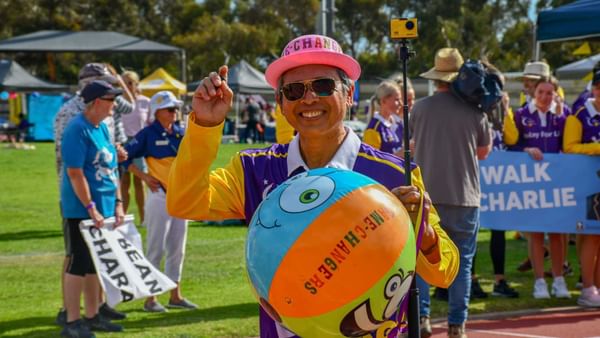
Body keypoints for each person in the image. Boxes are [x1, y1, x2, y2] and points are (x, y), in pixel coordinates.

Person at [166, 34, 459, 338]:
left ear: (349, 94)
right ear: (280, 103)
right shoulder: (254, 169)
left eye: (323, 85)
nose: (308, 99)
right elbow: (185, 202)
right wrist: (205, 126)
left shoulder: (397, 174)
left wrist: (423, 235)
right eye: (293, 90)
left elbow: (444, 272)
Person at [410, 47, 493, 338]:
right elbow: (484, 152)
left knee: (422, 259)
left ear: (435, 78)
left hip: (426, 197)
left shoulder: (419, 108)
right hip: (465, 197)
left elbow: (410, 145)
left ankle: (422, 318)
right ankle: (457, 324)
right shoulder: (476, 111)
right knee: (463, 263)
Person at [53, 63, 129, 326]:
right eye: (111, 101)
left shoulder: (103, 128)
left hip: (104, 208)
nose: (114, 106)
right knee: (78, 261)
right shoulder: (77, 128)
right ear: (97, 101)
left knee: (95, 264)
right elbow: (75, 173)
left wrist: (118, 203)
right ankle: (73, 321)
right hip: (81, 209)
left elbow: (110, 168)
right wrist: (90, 207)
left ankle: (93, 314)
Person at [121, 90, 197, 313]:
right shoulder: (147, 134)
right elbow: (123, 156)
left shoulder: (180, 132)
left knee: (177, 249)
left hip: (181, 198)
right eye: (170, 109)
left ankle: (175, 296)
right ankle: (150, 298)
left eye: (176, 109)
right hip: (159, 196)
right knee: (155, 249)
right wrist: (144, 177)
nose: (175, 112)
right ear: (157, 112)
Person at [504, 76, 571, 300]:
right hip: (532, 184)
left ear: (556, 94)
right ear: (534, 92)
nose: (544, 97)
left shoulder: (563, 114)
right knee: (535, 233)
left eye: (549, 93)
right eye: (541, 92)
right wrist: (526, 150)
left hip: (557, 183)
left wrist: (562, 117)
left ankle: (559, 279)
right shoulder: (522, 115)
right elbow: (511, 144)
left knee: (556, 233)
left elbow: (568, 143)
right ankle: (539, 281)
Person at [563, 70, 600, 307]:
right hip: (589, 186)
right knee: (591, 236)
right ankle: (587, 288)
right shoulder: (579, 115)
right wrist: (596, 148)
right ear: (595, 89)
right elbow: (569, 147)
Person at [120, 70, 150, 225]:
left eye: (131, 82)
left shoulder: (145, 101)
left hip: (139, 144)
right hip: (122, 143)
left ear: (137, 84)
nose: (128, 85)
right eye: (125, 82)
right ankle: (122, 217)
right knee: (123, 182)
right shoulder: (118, 102)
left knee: (140, 181)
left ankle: (144, 218)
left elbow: (151, 123)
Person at [363, 80, 404, 156]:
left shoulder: (397, 122)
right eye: (397, 100)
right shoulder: (374, 128)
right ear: (384, 101)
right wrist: (401, 154)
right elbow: (373, 161)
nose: (401, 103)